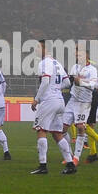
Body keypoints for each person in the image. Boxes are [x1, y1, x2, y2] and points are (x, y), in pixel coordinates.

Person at [31, 40, 75, 175]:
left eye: (38, 47)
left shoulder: (44, 62)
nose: (36, 50)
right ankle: (70, 164)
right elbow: (67, 82)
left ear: (45, 48)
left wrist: (36, 99)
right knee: (57, 134)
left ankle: (43, 165)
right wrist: (56, 88)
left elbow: (45, 81)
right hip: (60, 100)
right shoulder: (57, 63)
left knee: (41, 130)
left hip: (48, 101)